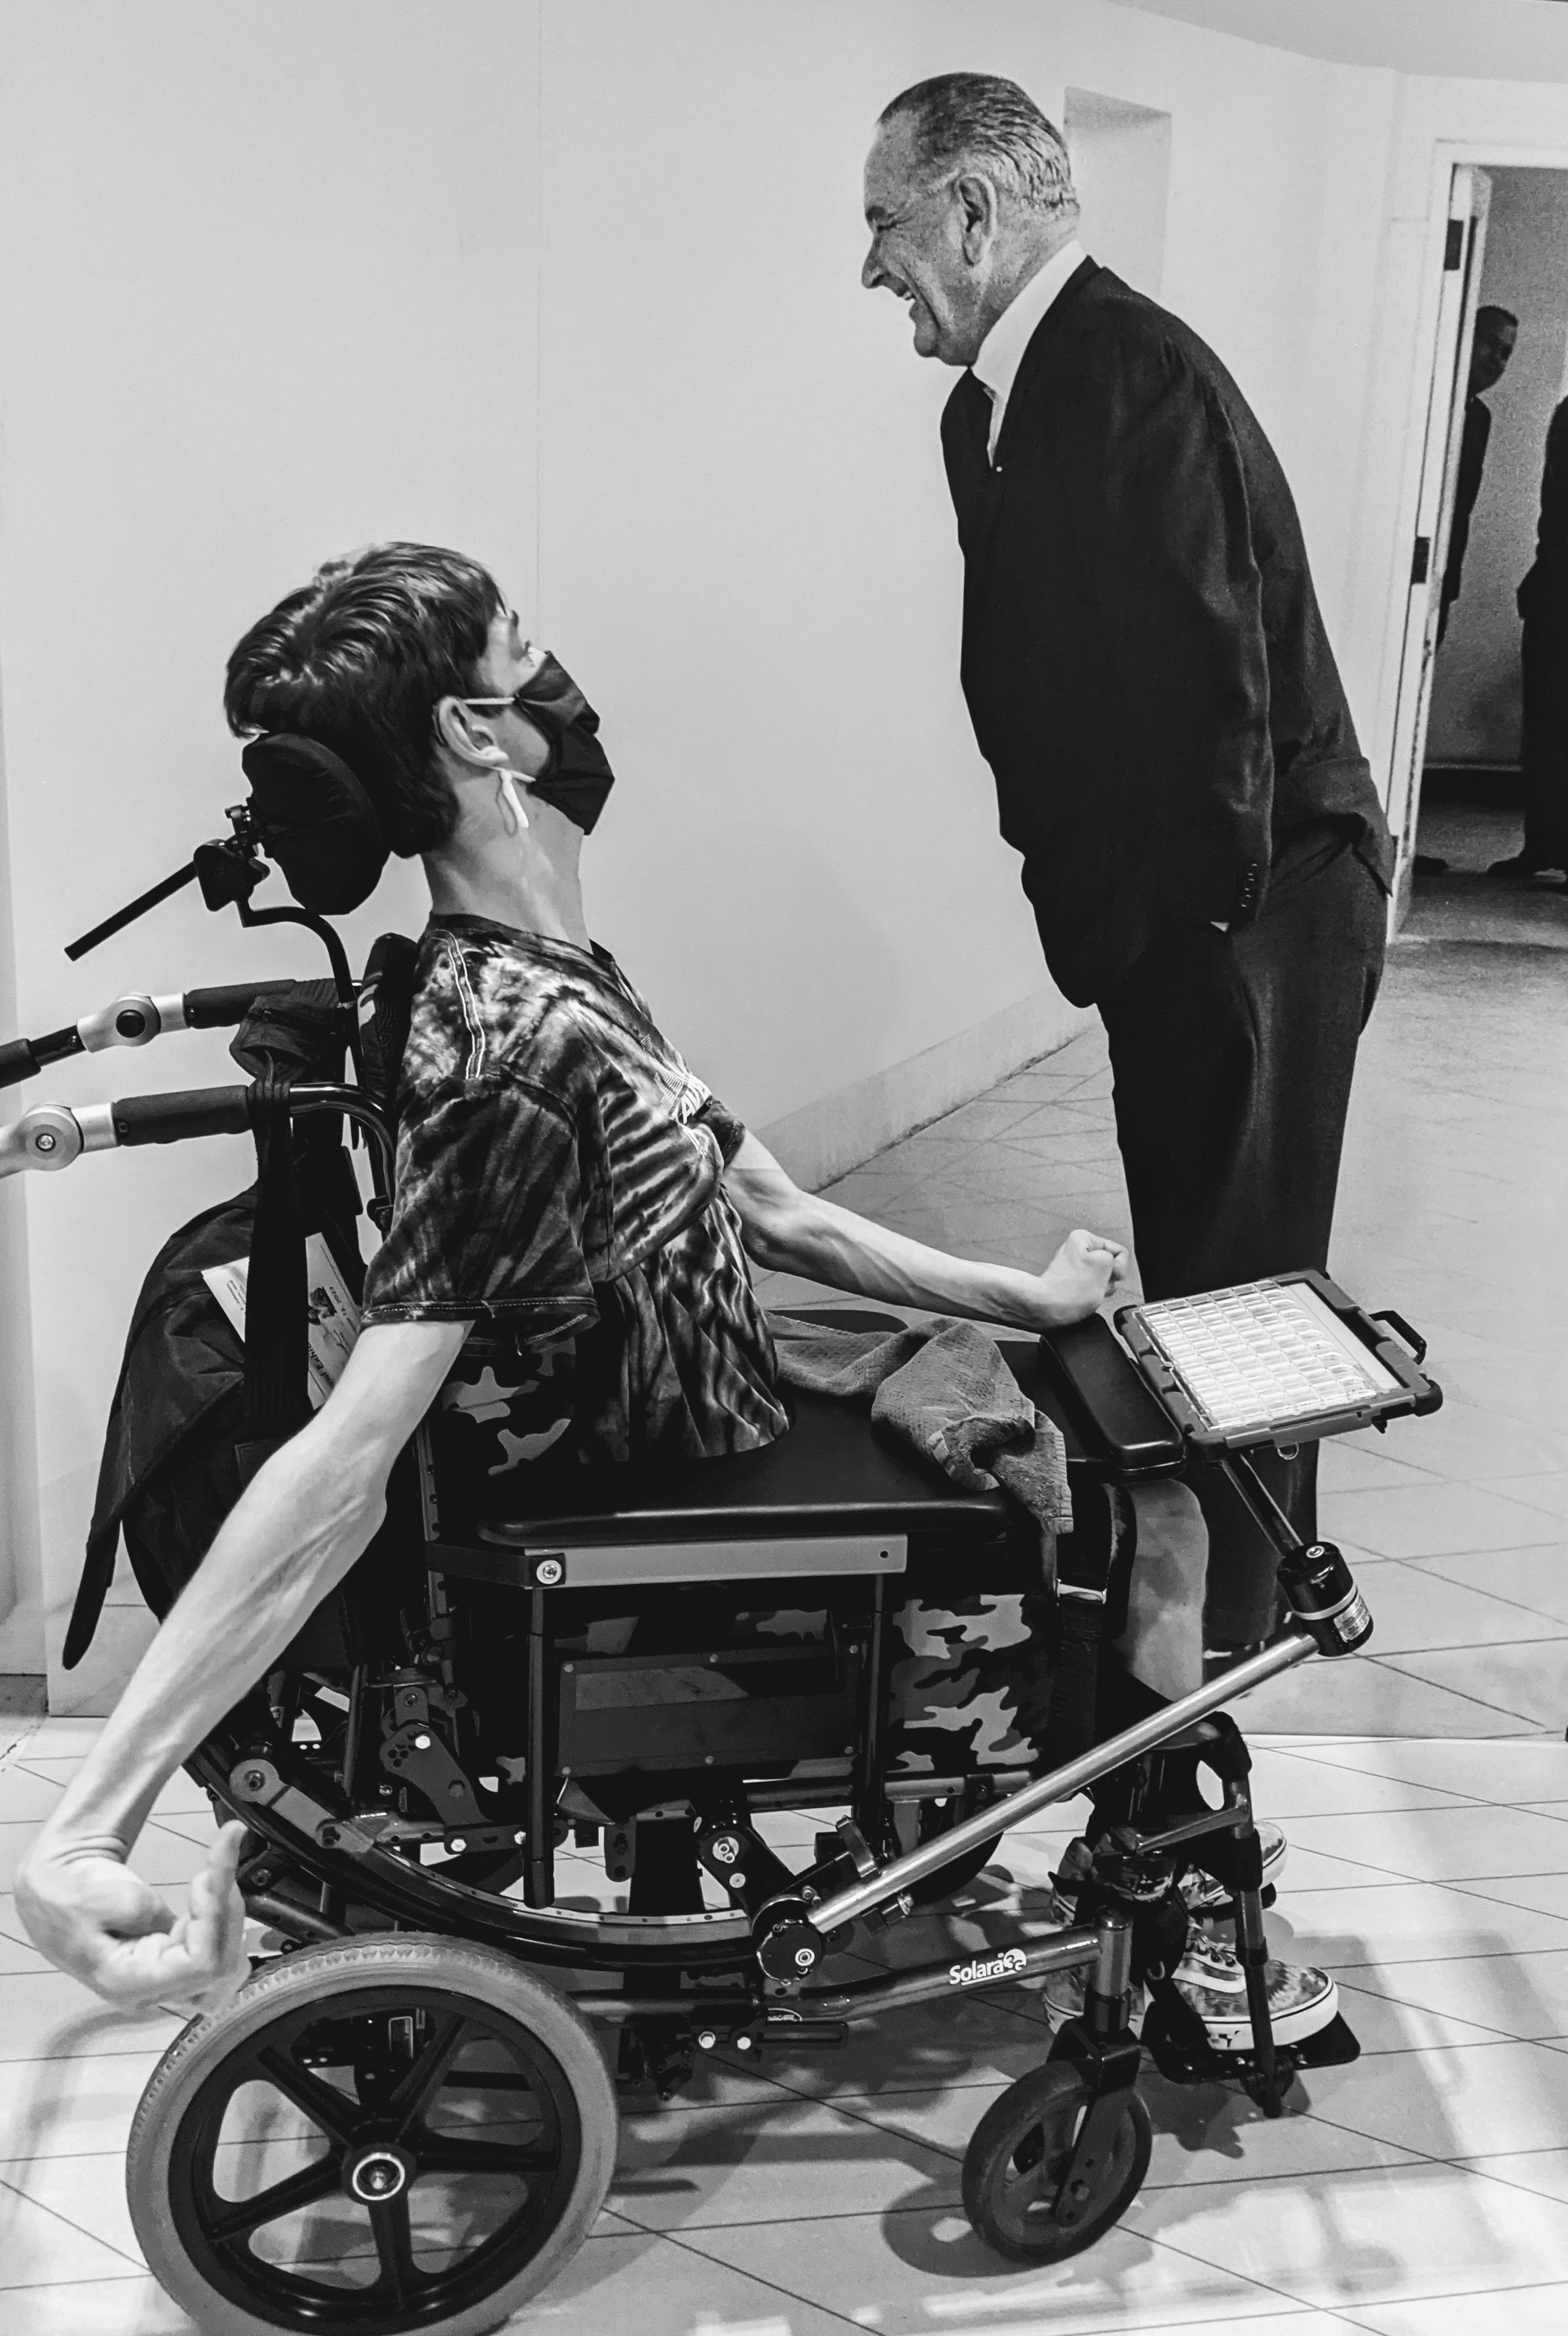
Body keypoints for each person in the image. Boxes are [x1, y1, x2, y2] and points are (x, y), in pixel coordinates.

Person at [14, 541, 1197, 2014]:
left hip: (695, 1373)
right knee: (1153, 1492)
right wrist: (86, 1823)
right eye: (530, 647)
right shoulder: (513, 1045)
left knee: (1080, 1392)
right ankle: (1177, 1901)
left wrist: (1019, 1299)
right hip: (658, 1453)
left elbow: (765, 1207)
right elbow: (355, 1446)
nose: (565, 687)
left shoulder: (546, 966)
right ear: (470, 728)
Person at [860, 74, 1393, 1673]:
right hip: (1186, 914)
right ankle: (1205, 1615)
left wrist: (1192, 945)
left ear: (970, 208)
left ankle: (1236, 1638)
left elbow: (1207, 696)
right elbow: (1051, 689)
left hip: (1259, 907)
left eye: (884, 222)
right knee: (1197, 1270)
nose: (871, 265)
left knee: (1241, 1286)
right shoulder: (989, 410)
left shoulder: (1128, 369)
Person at [1490, 394, 1568, 882]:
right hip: (1554, 589)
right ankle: (1543, 842)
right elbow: (1554, 511)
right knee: (1543, 728)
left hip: (1554, 588)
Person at [1439, 304, 1518, 647]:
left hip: (1440, 582)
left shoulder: (1479, 418)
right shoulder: (1429, 402)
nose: (1497, 360)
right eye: (1490, 343)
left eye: (1506, 353)